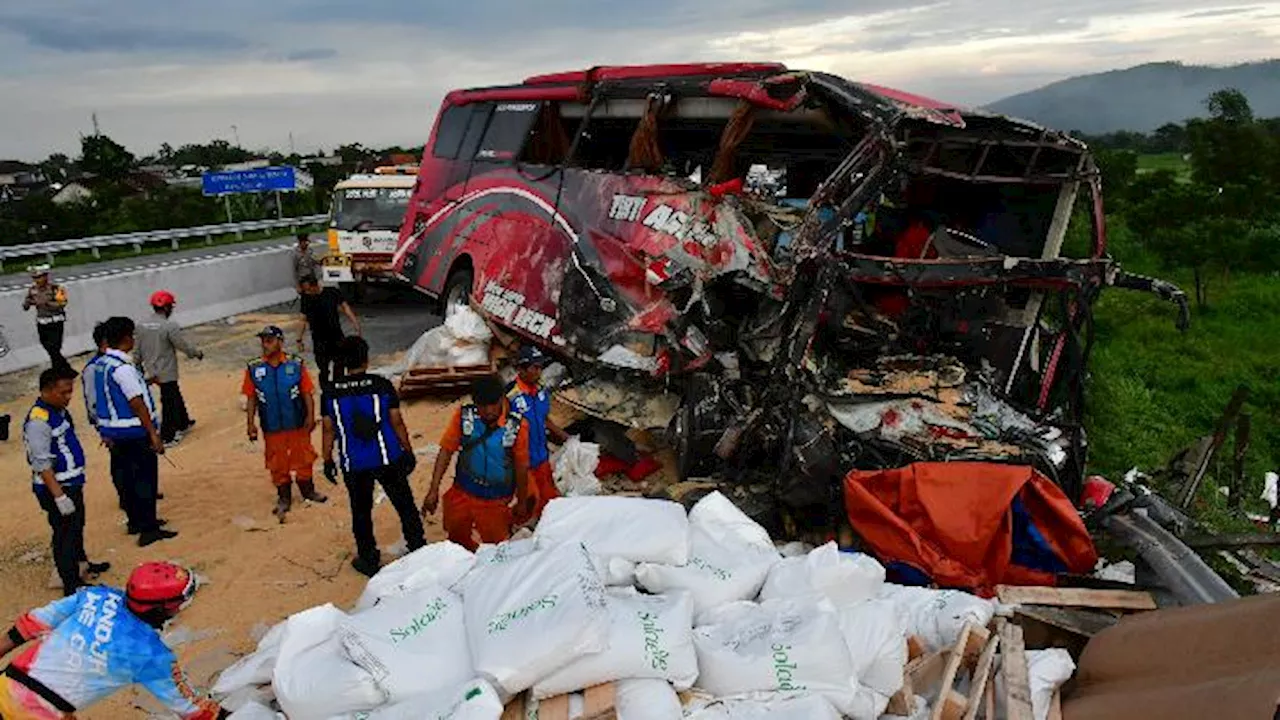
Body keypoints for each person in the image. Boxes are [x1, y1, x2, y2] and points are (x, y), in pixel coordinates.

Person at [0, 562, 228, 719]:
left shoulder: (95, 595)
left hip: (6, 684)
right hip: (39, 713)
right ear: (164, 608)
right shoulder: (150, 654)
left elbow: (29, 625)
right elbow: (191, 709)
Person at [321, 336, 426, 577]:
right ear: (366, 359)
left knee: (361, 511)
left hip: (354, 462)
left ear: (344, 362)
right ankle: (418, 547)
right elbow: (396, 421)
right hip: (387, 457)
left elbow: (328, 429)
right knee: (405, 504)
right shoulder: (381, 384)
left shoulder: (330, 393)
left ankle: (368, 559)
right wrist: (407, 450)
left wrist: (327, 460)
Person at [23, 367, 111, 598]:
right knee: (64, 535)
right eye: (63, 392)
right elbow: (41, 463)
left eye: (70, 392)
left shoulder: (58, 410)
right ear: (47, 391)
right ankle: (71, 584)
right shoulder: (38, 422)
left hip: (71, 483)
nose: (68, 397)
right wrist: (59, 496)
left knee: (76, 526)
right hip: (57, 488)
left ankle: (82, 564)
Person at [90, 316, 176, 547]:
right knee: (145, 479)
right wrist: (153, 434)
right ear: (127, 338)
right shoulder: (123, 368)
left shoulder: (101, 364)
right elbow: (136, 402)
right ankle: (148, 528)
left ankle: (135, 521)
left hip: (114, 431)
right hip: (133, 432)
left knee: (125, 477)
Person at [422, 375, 531, 552]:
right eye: (482, 405)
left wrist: (522, 501)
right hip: (463, 492)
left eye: (493, 404)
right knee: (456, 536)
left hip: (496, 499)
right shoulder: (464, 417)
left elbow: (521, 466)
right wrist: (433, 489)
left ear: (502, 399)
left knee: (496, 548)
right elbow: (446, 450)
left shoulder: (517, 426)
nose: (488, 410)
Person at [243, 325, 327, 519]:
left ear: (280, 342)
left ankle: (308, 490)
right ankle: (284, 497)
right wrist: (250, 424)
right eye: (263, 341)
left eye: (270, 340)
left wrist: (311, 416)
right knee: (277, 461)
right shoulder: (254, 368)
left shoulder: (296, 364)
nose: (266, 345)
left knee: (304, 457)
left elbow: (307, 392)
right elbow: (251, 397)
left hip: (297, 422)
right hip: (271, 425)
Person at [507, 345, 569, 523]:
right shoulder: (510, 397)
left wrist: (568, 439)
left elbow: (545, 420)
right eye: (535, 367)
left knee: (549, 502)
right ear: (522, 369)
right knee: (528, 502)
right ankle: (511, 527)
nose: (539, 371)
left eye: (541, 367)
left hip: (542, 459)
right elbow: (504, 432)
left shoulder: (541, 392)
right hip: (522, 464)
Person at [137, 290, 204, 448]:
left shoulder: (141, 325)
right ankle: (168, 435)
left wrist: (137, 366)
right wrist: (196, 353)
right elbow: (182, 345)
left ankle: (183, 421)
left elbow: (137, 350)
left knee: (174, 394)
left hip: (150, 369)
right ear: (167, 308)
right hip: (166, 371)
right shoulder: (169, 326)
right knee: (169, 401)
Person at [298, 275, 361, 389]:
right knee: (323, 368)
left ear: (315, 286)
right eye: (305, 290)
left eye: (308, 289)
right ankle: (326, 391)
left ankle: (338, 389)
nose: (307, 292)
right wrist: (299, 338)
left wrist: (355, 323)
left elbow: (345, 307)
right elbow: (303, 319)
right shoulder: (306, 298)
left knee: (339, 365)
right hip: (319, 339)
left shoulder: (331, 292)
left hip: (336, 336)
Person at [21, 265, 70, 374]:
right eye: (35, 278)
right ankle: (65, 368)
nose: (37, 280)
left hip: (55, 321)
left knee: (55, 347)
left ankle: (59, 370)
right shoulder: (32, 290)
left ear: (46, 277)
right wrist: (27, 303)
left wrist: (47, 303)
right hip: (42, 322)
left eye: (39, 277)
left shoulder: (55, 288)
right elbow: (25, 306)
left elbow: (62, 303)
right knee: (47, 346)